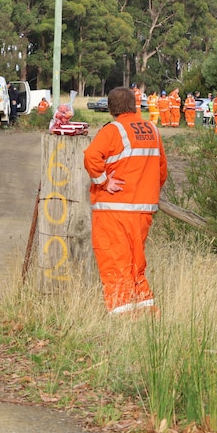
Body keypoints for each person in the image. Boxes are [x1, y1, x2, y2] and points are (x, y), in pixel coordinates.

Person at [83, 87, 168, 315]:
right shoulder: (152, 130)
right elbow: (162, 172)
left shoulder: (113, 130)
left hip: (114, 209)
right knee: (135, 263)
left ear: (111, 108)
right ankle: (146, 311)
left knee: (115, 261)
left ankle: (123, 316)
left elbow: (91, 156)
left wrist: (103, 181)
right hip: (143, 211)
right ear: (134, 105)